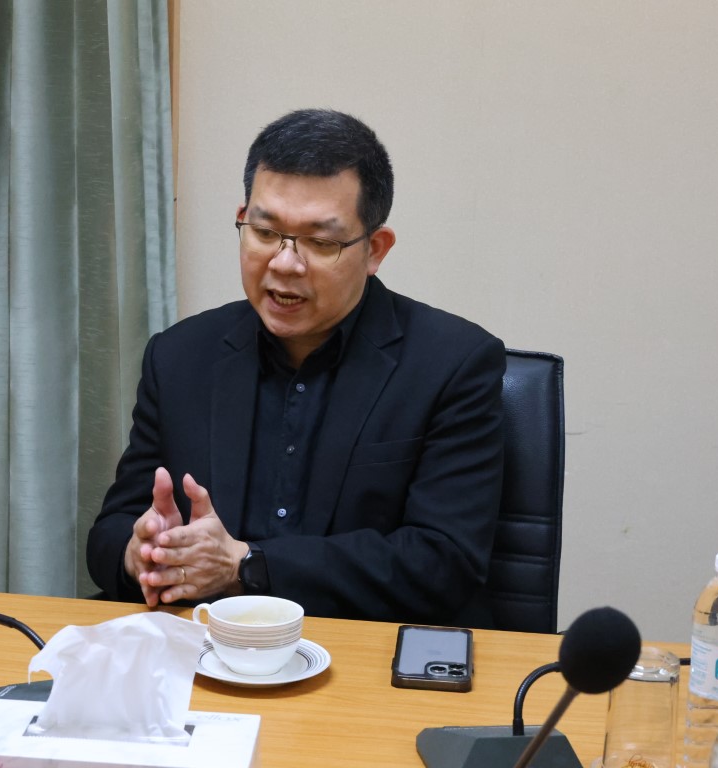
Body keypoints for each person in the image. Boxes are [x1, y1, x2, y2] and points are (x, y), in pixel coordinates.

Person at [86, 109, 505, 626]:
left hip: (360, 653)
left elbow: (442, 562)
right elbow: (110, 534)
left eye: (321, 242)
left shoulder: (453, 363)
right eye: (265, 232)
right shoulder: (179, 355)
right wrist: (144, 553)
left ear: (375, 249)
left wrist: (245, 566)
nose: (284, 263)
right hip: (203, 650)